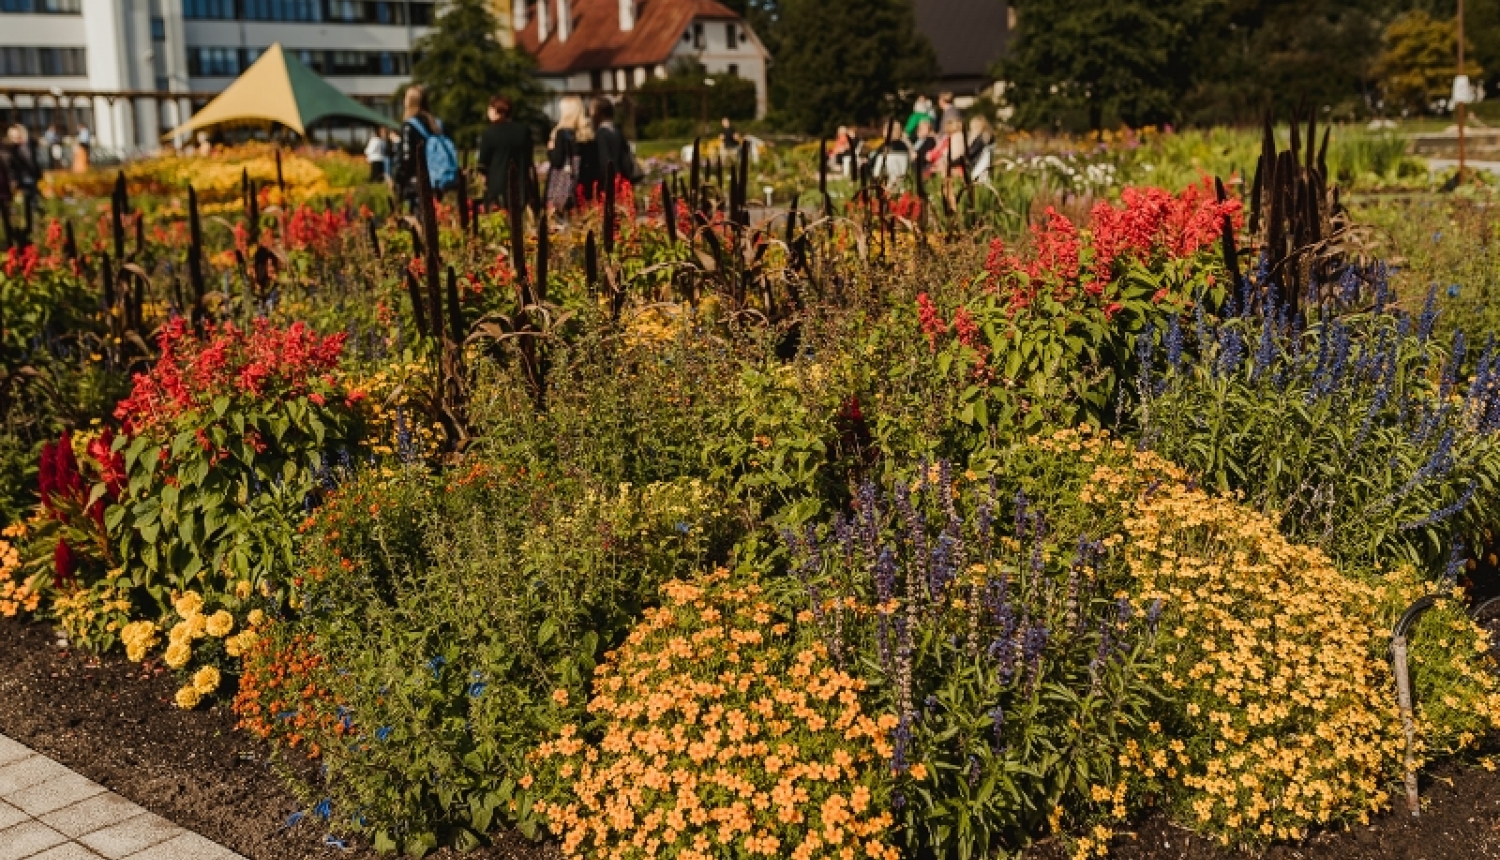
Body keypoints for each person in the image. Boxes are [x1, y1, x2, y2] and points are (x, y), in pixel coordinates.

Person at [394, 85, 447, 209]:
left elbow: (406, 159)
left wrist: (399, 180)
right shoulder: (436, 123)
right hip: (437, 180)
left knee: (419, 220)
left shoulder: (409, 126)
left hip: (417, 184)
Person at [478, 95, 534, 209]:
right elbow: (528, 158)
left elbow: (483, 163)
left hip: (496, 184)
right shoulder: (523, 131)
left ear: (497, 110)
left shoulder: (489, 133)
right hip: (520, 183)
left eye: (490, 109)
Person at [581, 97, 639, 200]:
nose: (590, 114)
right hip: (622, 178)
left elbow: (605, 160)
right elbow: (626, 157)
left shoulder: (601, 134)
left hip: (609, 181)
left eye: (591, 110)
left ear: (599, 113)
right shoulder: (617, 131)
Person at [546, 95, 589, 211]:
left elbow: (557, 160)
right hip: (582, 183)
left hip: (563, 185)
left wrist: (550, 150)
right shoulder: (586, 133)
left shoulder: (562, 133)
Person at [7, 126, 40, 215]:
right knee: (26, 200)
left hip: (32, 176)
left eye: (19, 136)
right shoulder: (12, 150)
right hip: (22, 178)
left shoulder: (29, 145)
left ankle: (34, 214)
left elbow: (34, 162)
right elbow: (11, 167)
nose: (17, 139)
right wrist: (14, 179)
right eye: (14, 137)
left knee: (34, 198)